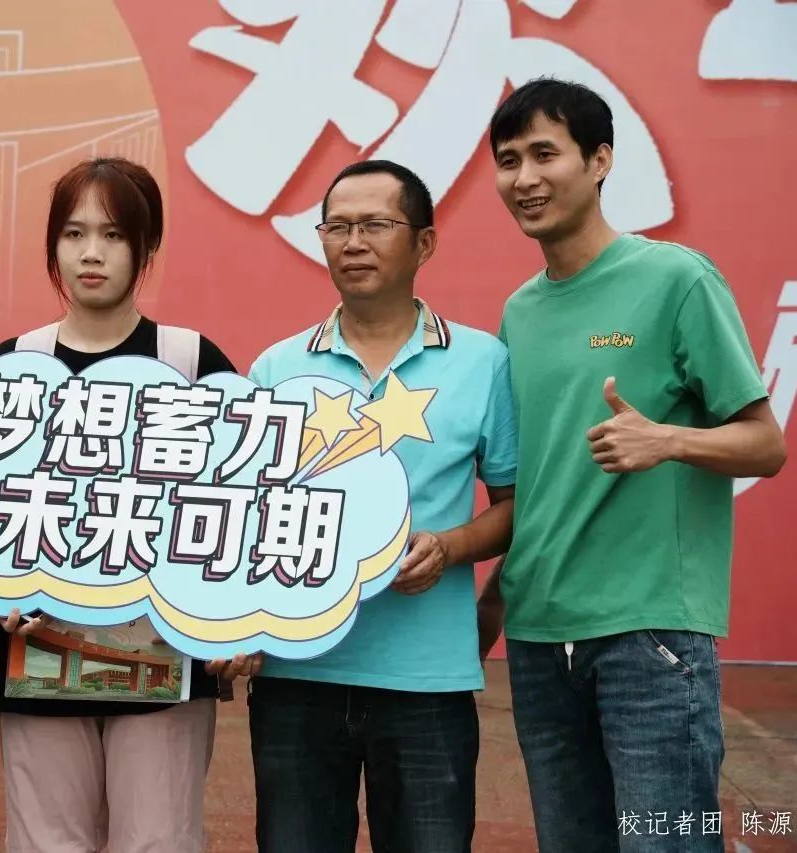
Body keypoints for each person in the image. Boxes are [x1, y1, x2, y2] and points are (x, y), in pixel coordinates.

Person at [481, 78, 786, 852]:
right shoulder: (520, 310)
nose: (525, 178)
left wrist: (669, 440)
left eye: (545, 154)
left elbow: (766, 442)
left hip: (649, 635)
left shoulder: (675, 279)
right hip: (540, 637)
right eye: (509, 161)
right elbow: (542, 482)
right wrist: (492, 605)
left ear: (600, 160)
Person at [0, 156, 233, 852]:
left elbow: (237, 507)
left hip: (162, 660)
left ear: (146, 246)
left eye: (113, 235)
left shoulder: (193, 361)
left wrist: (230, 618)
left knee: (159, 841)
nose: (91, 253)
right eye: (74, 234)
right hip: (41, 653)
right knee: (46, 843)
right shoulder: (15, 361)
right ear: (52, 245)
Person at [242, 160, 518, 852]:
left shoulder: (482, 362)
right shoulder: (276, 368)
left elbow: (517, 506)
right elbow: (245, 515)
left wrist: (450, 547)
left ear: (424, 243)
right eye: (337, 227)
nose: (354, 243)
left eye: (375, 225)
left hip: (427, 680)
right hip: (297, 674)